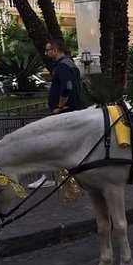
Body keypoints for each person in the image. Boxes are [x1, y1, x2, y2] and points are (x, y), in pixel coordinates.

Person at [28, 39, 83, 189]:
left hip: (65, 111)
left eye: (48, 50)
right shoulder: (69, 64)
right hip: (70, 110)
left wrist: (59, 106)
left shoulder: (63, 66)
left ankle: (49, 176)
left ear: (56, 50)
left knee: (51, 142)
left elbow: (67, 87)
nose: (46, 53)